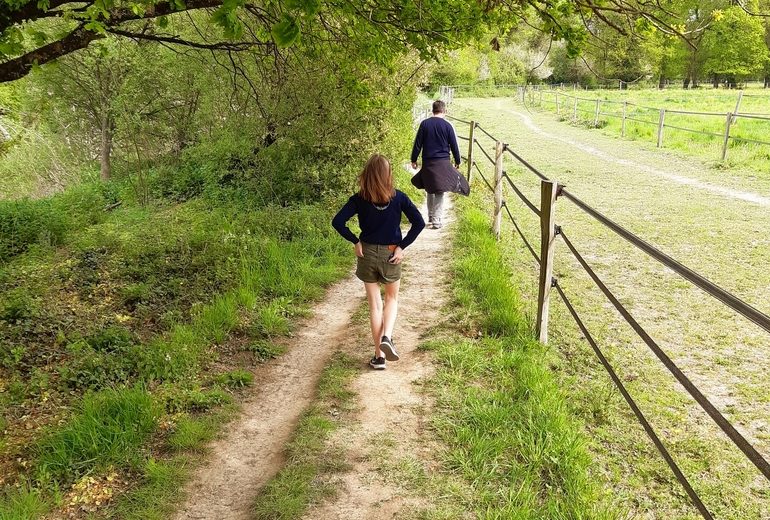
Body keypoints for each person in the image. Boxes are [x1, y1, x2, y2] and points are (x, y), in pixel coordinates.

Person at [332, 154, 425, 370]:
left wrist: (355, 241)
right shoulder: (399, 198)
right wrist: (402, 246)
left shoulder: (358, 199)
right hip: (391, 254)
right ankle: (388, 337)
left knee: (375, 304)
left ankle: (379, 357)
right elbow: (418, 223)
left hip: (366, 253)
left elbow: (337, 222)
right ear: (388, 175)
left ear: (367, 175)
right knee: (391, 299)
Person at [410, 100, 469, 229]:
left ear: (433, 110)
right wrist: (457, 161)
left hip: (428, 162)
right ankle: (436, 220)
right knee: (440, 190)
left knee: (429, 188)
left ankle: (431, 216)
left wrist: (413, 159)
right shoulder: (448, 126)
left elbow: (417, 144)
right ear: (444, 111)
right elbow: (454, 145)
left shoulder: (424, 124)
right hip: (443, 162)